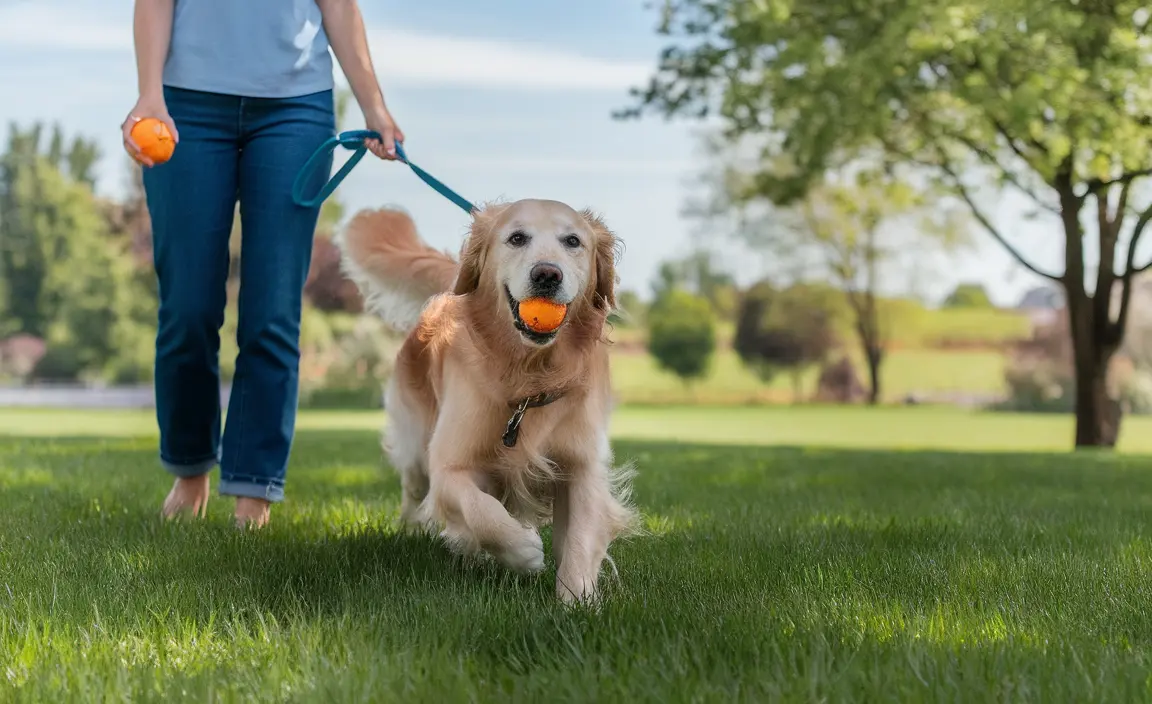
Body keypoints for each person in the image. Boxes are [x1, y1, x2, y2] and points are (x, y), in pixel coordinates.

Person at [122, 0, 403, 528]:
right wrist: (149, 92)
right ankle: (189, 472)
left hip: (295, 109)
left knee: (272, 313)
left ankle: (254, 492)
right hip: (184, 104)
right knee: (187, 308)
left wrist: (374, 106)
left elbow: (339, 7)